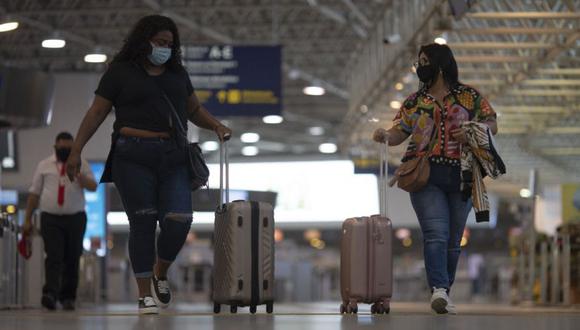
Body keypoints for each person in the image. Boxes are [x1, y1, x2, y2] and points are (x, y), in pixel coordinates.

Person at [65, 15, 232, 314]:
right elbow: (97, 112)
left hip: (173, 155)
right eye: (160, 42)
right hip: (132, 155)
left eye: (170, 44)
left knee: (180, 219)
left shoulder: (177, 74)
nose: (165, 49)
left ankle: (161, 272)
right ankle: (144, 294)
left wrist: (217, 126)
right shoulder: (119, 73)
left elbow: (193, 109)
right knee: (142, 222)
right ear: (144, 41)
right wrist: (77, 149)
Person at [373, 43, 498, 314]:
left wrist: (473, 131)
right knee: (436, 234)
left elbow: (492, 124)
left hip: (462, 174)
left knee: (453, 240)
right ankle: (438, 289)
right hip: (424, 175)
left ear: (440, 64)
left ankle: (444, 290)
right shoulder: (414, 102)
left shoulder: (469, 97)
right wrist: (385, 134)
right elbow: (399, 132)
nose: (420, 66)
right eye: (419, 61)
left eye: (425, 60)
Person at [23, 132, 98, 311]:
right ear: (55, 148)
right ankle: (50, 293)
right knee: (54, 256)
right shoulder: (44, 165)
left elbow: (93, 187)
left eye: (68, 148)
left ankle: (68, 297)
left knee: (73, 257)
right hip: (50, 218)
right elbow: (34, 194)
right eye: (62, 148)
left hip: (76, 218)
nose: (65, 150)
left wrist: (79, 175)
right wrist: (27, 219)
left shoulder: (82, 163)